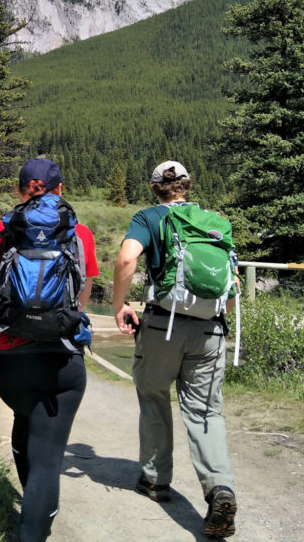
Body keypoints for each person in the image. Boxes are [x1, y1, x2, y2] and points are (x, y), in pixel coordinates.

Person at [0, 157, 99, 542]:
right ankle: (34, 525)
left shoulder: (3, 227)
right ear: (60, 189)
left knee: (24, 417)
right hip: (60, 360)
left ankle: (34, 505)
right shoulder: (80, 232)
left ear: (19, 190)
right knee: (47, 457)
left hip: (7, 362)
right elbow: (81, 298)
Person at [111, 161, 237, 539]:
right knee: (205, 412)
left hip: (162, 325)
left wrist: (120, 305)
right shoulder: (213, 221)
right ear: (188, 186)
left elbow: (127, 258)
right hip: (210, 329)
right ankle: (219, 488)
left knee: (153, 397)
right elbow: (229, 287)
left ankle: (155, 480)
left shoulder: (148, 218)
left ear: (155, 189)